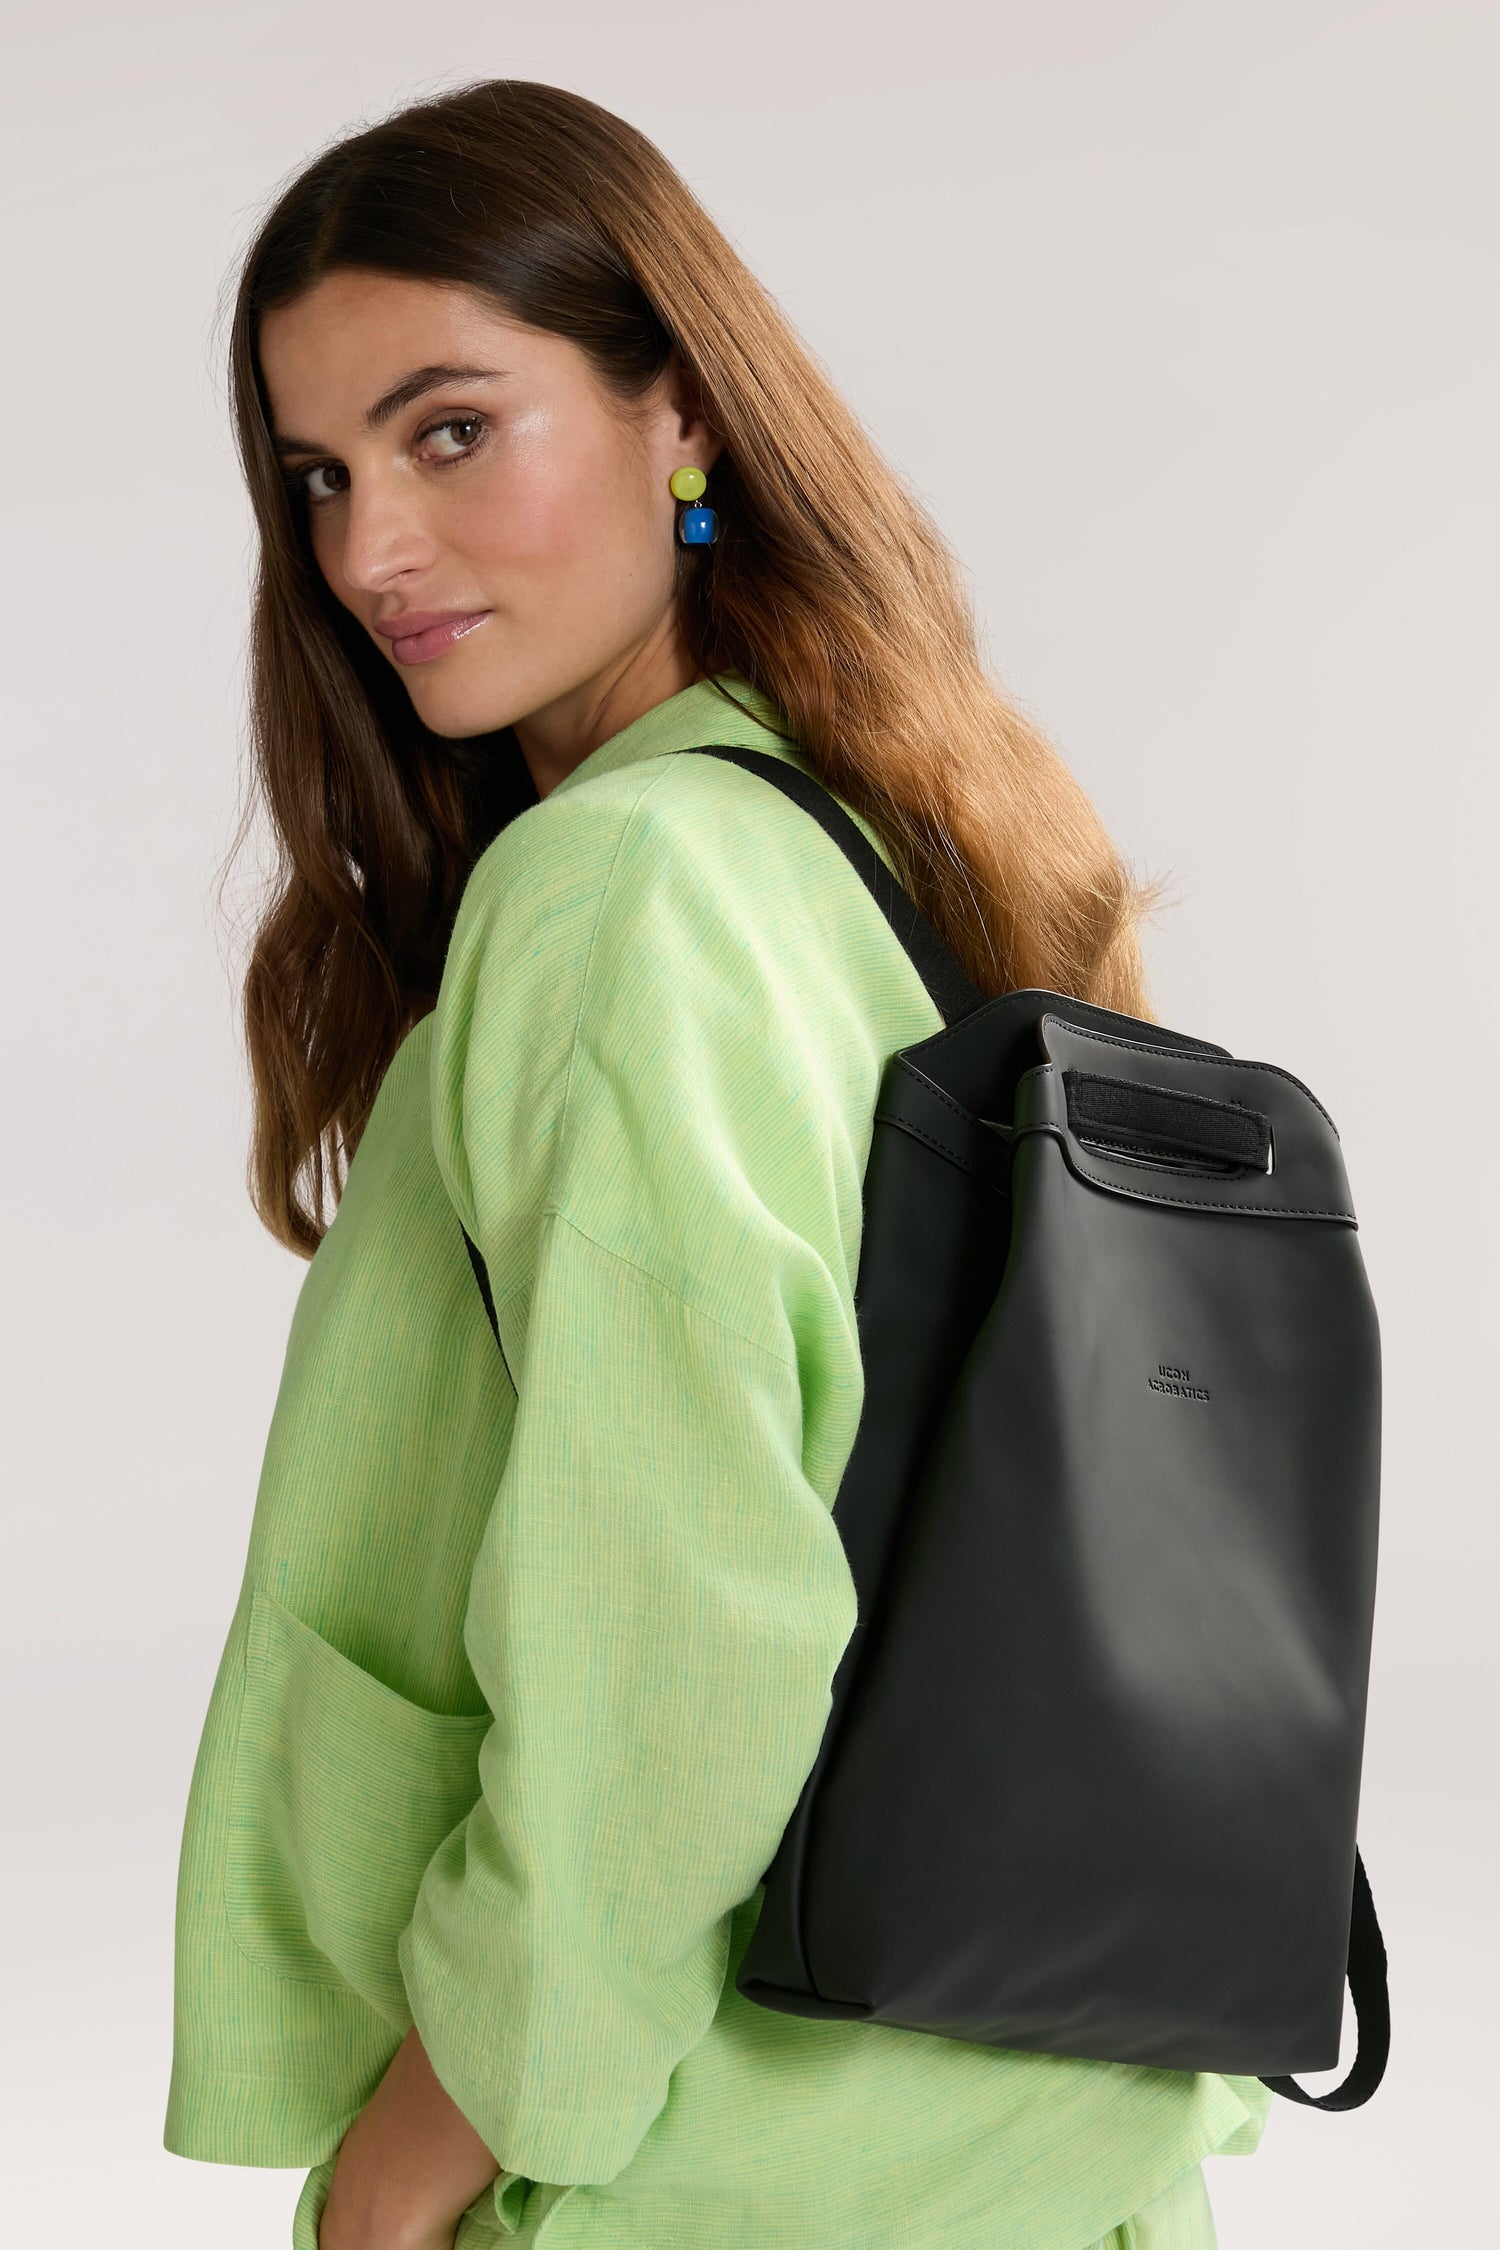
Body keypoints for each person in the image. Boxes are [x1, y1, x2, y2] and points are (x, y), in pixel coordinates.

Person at [162, 77, 1270, 2250]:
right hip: (1051, 2118)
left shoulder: (619, 893)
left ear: (681, 415)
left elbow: (679, 1635)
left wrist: (421, 2158)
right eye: (318, 474)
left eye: (451, 429)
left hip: (677, 2155)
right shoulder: (909, 848)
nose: (369, 551)